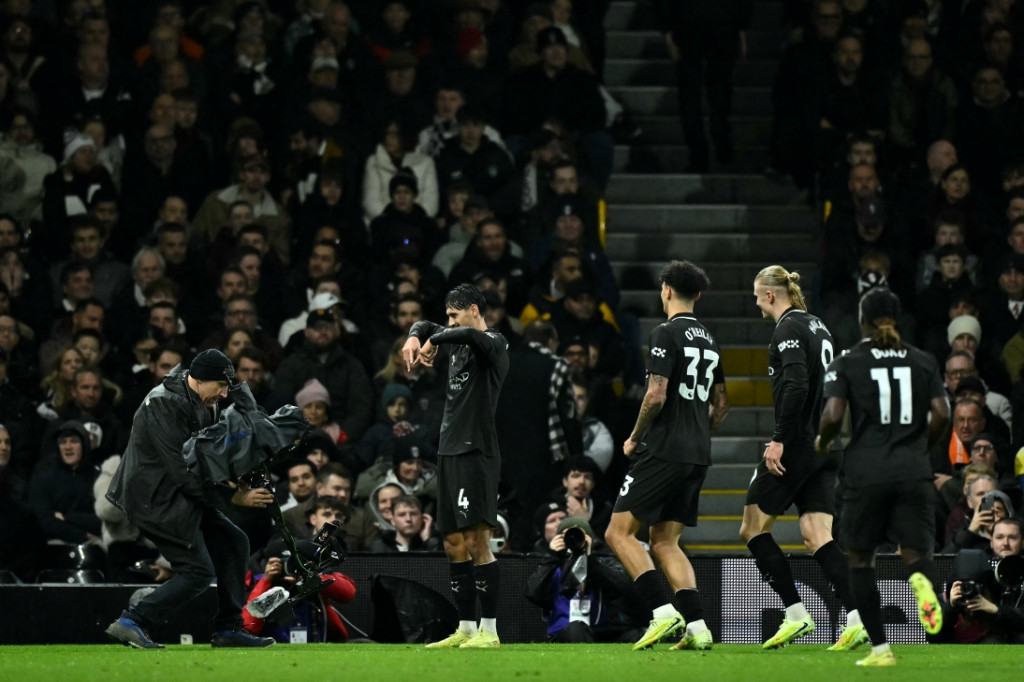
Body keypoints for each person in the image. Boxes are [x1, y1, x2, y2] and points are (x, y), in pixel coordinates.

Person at [104, 349, 278, 649]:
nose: (224, 394)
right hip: (154, 498)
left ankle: (228, 630)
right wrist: (235, 497)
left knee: (234, 543)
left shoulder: (203, 400)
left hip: (181, 494)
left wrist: (239, 473)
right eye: (220, 386)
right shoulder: (163, 403)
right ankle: (132, 621)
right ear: (199, 379)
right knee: (197, 572)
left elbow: (207, 455)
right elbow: (184, 471)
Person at [816, 287, 951, 666]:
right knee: (917, 554)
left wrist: (822, 442)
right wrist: (921, 447)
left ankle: (880, 650)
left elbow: (832, 415)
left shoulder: (846, 362)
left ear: (862, 320)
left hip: (865, 473)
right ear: (898, 318)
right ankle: (922, 582)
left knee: (861, 561)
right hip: (913, 472)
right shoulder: (923, 360)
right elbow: (943, 412)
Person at [604, 261, 728, 651]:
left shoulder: (665, 332)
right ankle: (698, 627)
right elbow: (721, 405)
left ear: (667, 290)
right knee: (664, 541)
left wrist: (634, 437)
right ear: (698, 295)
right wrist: (698, 433)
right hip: (697, 454)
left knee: (617, 533)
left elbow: (655, 395)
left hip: (664, 449)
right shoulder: (710, 339)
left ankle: (662, 612)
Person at [740, 265, 860, 650]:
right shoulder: (818, 326)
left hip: (798, 444)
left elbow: (795, 386)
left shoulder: (788, 328)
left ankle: (795, 614)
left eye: (757, 296)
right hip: (827, 445)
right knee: (817, 535)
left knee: (752, 528)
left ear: (770, 295)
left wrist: (779, 440)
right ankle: (857, 618)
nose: (756, 303)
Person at [402, 283, 509, 648]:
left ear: (474, 310)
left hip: (476, 452)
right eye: (446, 315)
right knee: (452, 542)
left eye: (454, 314)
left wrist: (434, 339)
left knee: (476, 540)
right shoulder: (455, 340)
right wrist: (416, 336)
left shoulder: (494, 343)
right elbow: (424, 325)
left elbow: (465, 334)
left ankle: (489, 631)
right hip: (448, 452)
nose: (448, 322)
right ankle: (465, 628)